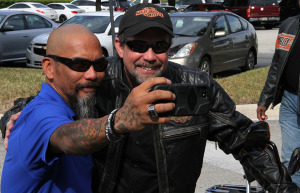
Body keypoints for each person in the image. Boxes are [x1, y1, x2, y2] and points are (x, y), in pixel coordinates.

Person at [2, 3, 300, 193]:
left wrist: (282, 186)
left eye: (159, 45)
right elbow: (50, 109)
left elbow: (244, 139)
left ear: (169, 47)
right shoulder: (98, 82)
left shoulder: (196, 86)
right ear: (120, 46)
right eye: (138, 45)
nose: (149, 55)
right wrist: (13, 114)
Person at [1, 24, 176, 193]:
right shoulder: (39, 114)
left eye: (99, 65)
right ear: (49, 67)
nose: (92, 75)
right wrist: (119, 120)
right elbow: (67, 138)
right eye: (79, 65)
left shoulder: (79, 102)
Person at [257, 2, 300, 187]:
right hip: (290, 100)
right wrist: (265, 99)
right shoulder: (288, 26)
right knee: (291, 158)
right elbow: (277, 65)